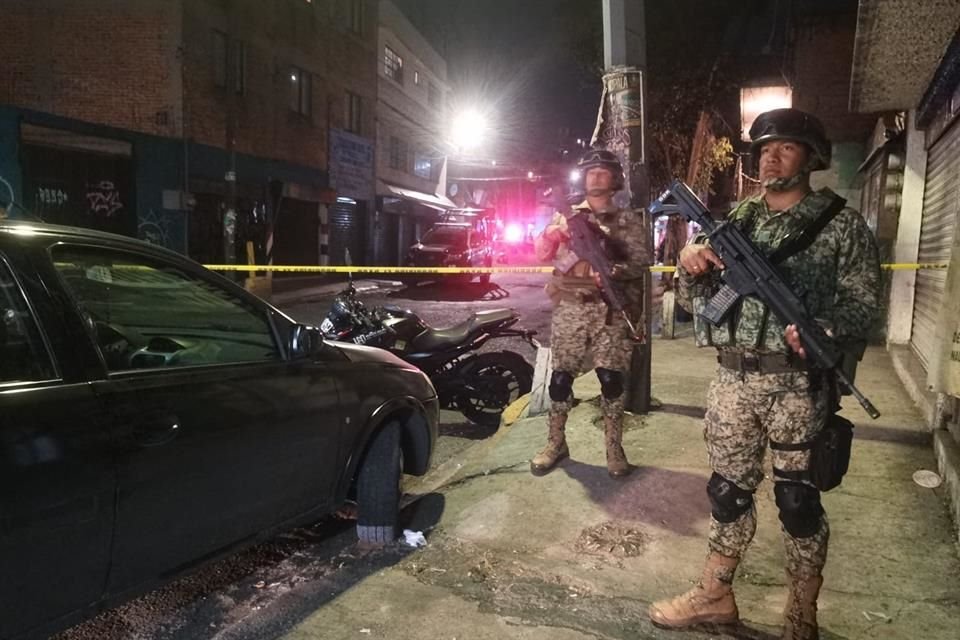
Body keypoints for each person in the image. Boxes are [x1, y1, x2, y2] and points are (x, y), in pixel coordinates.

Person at [647, 108, 881, 639]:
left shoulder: (840, 223)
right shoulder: (737, 222)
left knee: (797, 500)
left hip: (798, 385)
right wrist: (690, 266)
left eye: (787, 147)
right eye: (765, 149)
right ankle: (715, 596)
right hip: (733, 382)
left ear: (812, 157)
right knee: (726, 492)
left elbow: (865, 304)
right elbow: (695, 304)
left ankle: (802, 611)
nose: (772, 157)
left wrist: (824, 327)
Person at [532, 148, 650, 478]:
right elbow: (541, 254)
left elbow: (640, 263)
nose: (596, 175)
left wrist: (610, 271)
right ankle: (555, 442)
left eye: (603, 171)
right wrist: (552, 234)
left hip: (609, 313)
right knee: (559, 381)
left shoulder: (627, 221)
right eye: (590, 171)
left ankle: (614, 447)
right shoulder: (565, 217)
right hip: (570, 309)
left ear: (615, 180)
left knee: (611, 381)